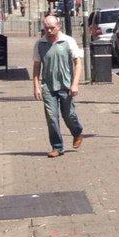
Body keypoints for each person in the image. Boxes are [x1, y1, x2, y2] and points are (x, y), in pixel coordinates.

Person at [32, 14, 84, 158]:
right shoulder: (40, 44)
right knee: (51, 117)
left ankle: (77, 131)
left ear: (58, 26)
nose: (48, 31)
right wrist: (36, 86)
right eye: (46, 28)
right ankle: (57, 147)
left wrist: (75, 84)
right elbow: (36, 67)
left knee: (69, 115)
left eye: (51, 28)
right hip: (48, 86)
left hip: (66, 85)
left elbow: (78, 63)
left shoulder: (68, 41)